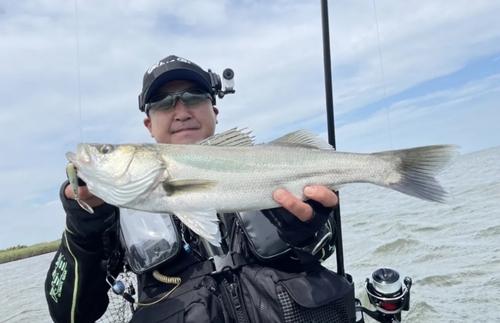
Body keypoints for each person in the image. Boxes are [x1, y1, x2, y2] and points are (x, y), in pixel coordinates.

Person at [44, 55, 357, 323]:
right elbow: (71, 315)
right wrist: (84, 227)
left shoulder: (266, 163)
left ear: (214, 112)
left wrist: (308, 230)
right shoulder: (115, 210)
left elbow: (322, 250)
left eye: (194, 96)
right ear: (148, 126)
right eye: (163, 103)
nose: (181, 111)